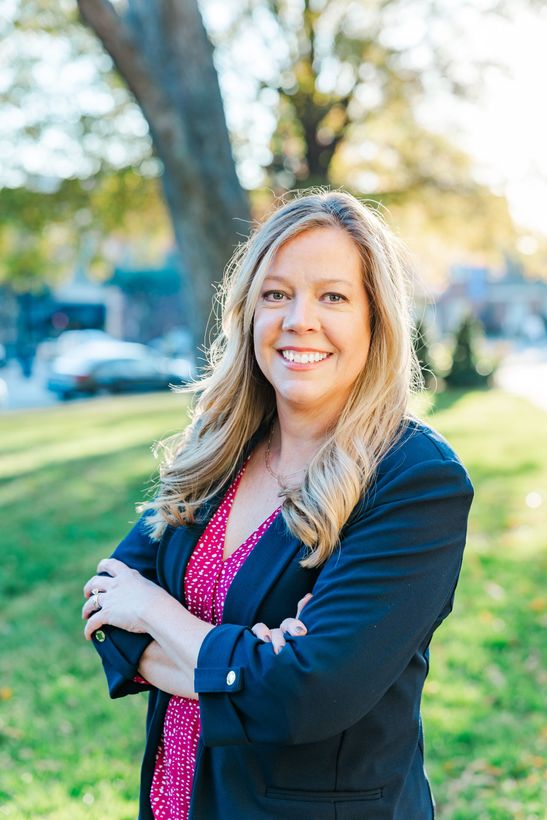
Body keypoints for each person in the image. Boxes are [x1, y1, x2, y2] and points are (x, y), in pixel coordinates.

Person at [82, 190, 473, 820]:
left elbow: (305, 697)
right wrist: (249, 668)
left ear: (376, 319)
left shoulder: (414, 478)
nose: (299, 319)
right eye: (276, 294)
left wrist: (157, 611)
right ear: (248, 312)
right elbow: (106, 606)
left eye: (334, 296)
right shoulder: (219, 448)